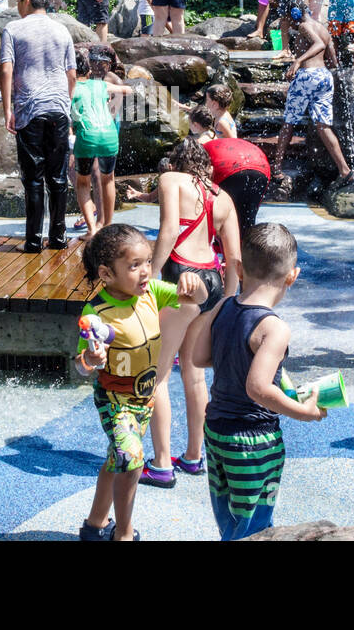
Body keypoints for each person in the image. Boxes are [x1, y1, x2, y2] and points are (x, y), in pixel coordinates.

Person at [189, 223, 325, 540]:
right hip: (254, 442)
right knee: (254, 527)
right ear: (292, 275)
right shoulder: (274, 328)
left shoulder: (224, 305)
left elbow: (199, 357)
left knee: (229, 519)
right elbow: (258, 388)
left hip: (217, 432)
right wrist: (303, 412)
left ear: (238, 267)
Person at [74, 225, 207, 541]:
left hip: (142, 400)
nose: (146, 271)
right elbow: (80, 367)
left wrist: (196, 284)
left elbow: (199, 299)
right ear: (106, 274)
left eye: (147, 262)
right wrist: (90, 360)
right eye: (134, 266)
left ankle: (94, 525)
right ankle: (123, 532)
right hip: (115, 400)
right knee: (132, 459)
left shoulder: (152, 294)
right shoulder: (98, 312)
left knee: (116, 457)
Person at [141, 137, 242, 488]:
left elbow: (169, 230)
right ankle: (194, 457)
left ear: (177, 162)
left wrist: (150, 276)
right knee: (195, 376)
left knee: (158, 373)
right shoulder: (223, 197)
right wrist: (229, 303)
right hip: (212, 282)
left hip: (179, 276)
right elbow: (235, 257)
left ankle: (161, 464)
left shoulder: (170, 179)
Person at [2, 0, 77, 252]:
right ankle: (58, 238)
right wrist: (66, 106)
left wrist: (8, 108)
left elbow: (7, 70)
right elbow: (72, 75)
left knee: (33, 178)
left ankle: (33, 241)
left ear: (26, 1)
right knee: (57, 177)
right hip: (58, 109)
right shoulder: (63, 31)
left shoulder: (13, 29)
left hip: (30, 109)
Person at [271, 7, 354, 188]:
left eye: (288, 17)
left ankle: (276, 168)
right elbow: (333, 60)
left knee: (289, 122)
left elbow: (319, 44)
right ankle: (345, 170)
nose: (288, 22)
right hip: (324, 77)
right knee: (323, 125)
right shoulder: (324, 28)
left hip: (306, 77)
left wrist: (298, 60)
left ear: (295, 14)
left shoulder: (304, 25)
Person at [71, 51, 132, 236]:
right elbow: (127, 90)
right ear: (88, 71)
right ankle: (107, 227)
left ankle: (91, 230)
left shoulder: (71, 89)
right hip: (109, 136)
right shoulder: (101, 85)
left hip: (87, 137)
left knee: (83, 184)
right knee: (108, 179)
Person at [203, 136, 271, 232]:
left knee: (224, 217)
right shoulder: (211, 146)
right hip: (261, 167)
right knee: (248, 218)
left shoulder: (197, 153)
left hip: (228, 167)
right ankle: (247, 243)